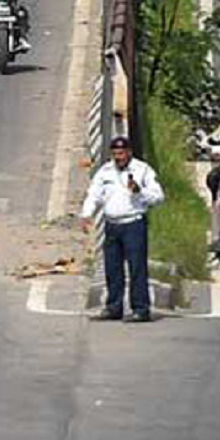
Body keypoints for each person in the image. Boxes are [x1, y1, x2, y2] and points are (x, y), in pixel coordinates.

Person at [80, 136, 165, 322]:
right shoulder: (105, 171)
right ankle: (113, 307)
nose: (118, 157)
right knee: (112, 268)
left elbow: (158, 196)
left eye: (121, 153)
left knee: (136, 268)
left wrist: (139, 192)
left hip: (133, 224)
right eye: (115, 154)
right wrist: (87, 215)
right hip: (112, 225)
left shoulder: (142, 170)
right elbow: (93, 194)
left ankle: (141, 309)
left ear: (129, 152)